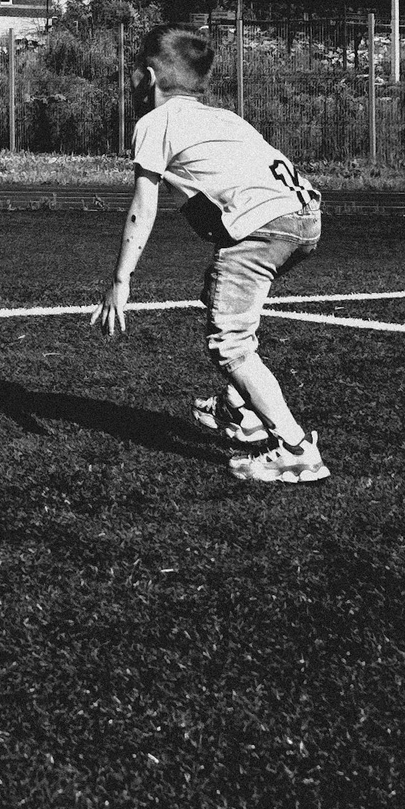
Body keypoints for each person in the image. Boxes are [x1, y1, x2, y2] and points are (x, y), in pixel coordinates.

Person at [92, 25, 328, 484]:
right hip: (306, 218)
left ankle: (296, 450)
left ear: (148, 76)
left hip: (263, 229)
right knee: (218, 293)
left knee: (231, 342)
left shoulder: (155, 123)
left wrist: (120, 281)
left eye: (134, 74)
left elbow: (145, 204)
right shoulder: (225, 118)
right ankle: (243, 412)